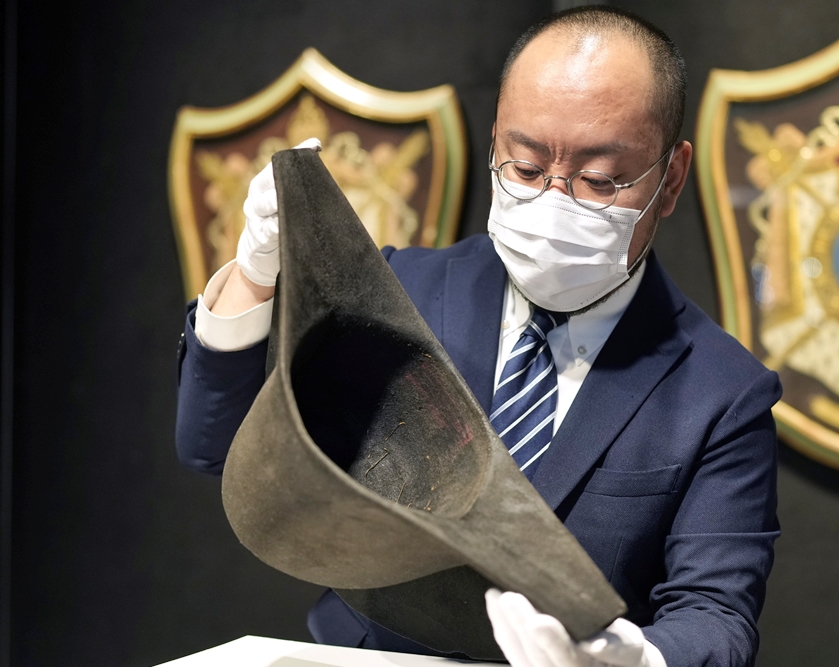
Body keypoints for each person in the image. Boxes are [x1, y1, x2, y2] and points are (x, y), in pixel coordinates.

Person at [175, 7, 781, 667]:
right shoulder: (398, 291)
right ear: (495, 143)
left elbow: (718, 615)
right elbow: (218, 446)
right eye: (524, 166)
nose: (554, 200)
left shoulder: (722, 391)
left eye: (601, 180)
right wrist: (254, 279)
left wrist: (637, 660)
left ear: (670, 178)